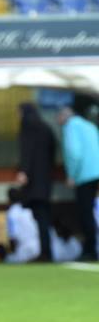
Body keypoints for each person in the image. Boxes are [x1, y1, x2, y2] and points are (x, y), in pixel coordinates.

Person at [16, 103, 57, 262]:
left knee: (40, 218)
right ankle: (46, 251)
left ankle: (45, 253)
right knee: (44, 218)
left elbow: (27, 150)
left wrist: (24, 171)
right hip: (45, 180)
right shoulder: (45, 127)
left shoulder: (27, 127)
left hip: (33, 183)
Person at [58, 106, 99, 261]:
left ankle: (90, 249)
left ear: (64, 116)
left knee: (85, 212)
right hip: (96, 172)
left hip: (84, 175)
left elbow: (74, 152)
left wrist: (72, 175)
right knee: (91, 211)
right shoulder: (90, 125)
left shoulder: (71, 127)